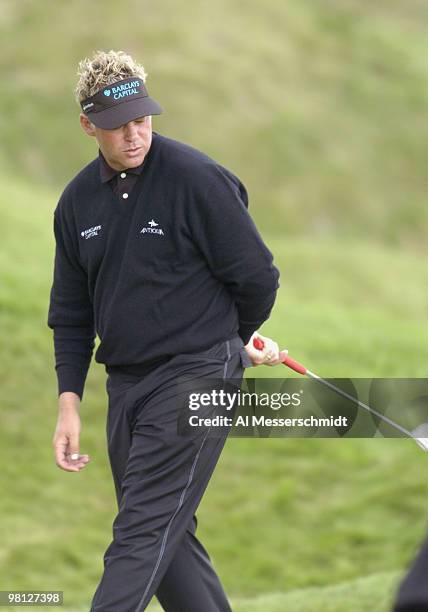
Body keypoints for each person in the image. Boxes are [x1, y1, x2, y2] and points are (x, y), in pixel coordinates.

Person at [48, 49, 285, 612]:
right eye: (118, 125)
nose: (134, 135)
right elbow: (71, 312)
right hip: (128, 387)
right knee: (166, 536)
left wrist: (228, 343)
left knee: (139, 534)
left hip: (196, 376)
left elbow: (257, 278)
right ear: (88, 125)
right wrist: (69, 401)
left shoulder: (197, 179)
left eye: (143, 119)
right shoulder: (76, 203)